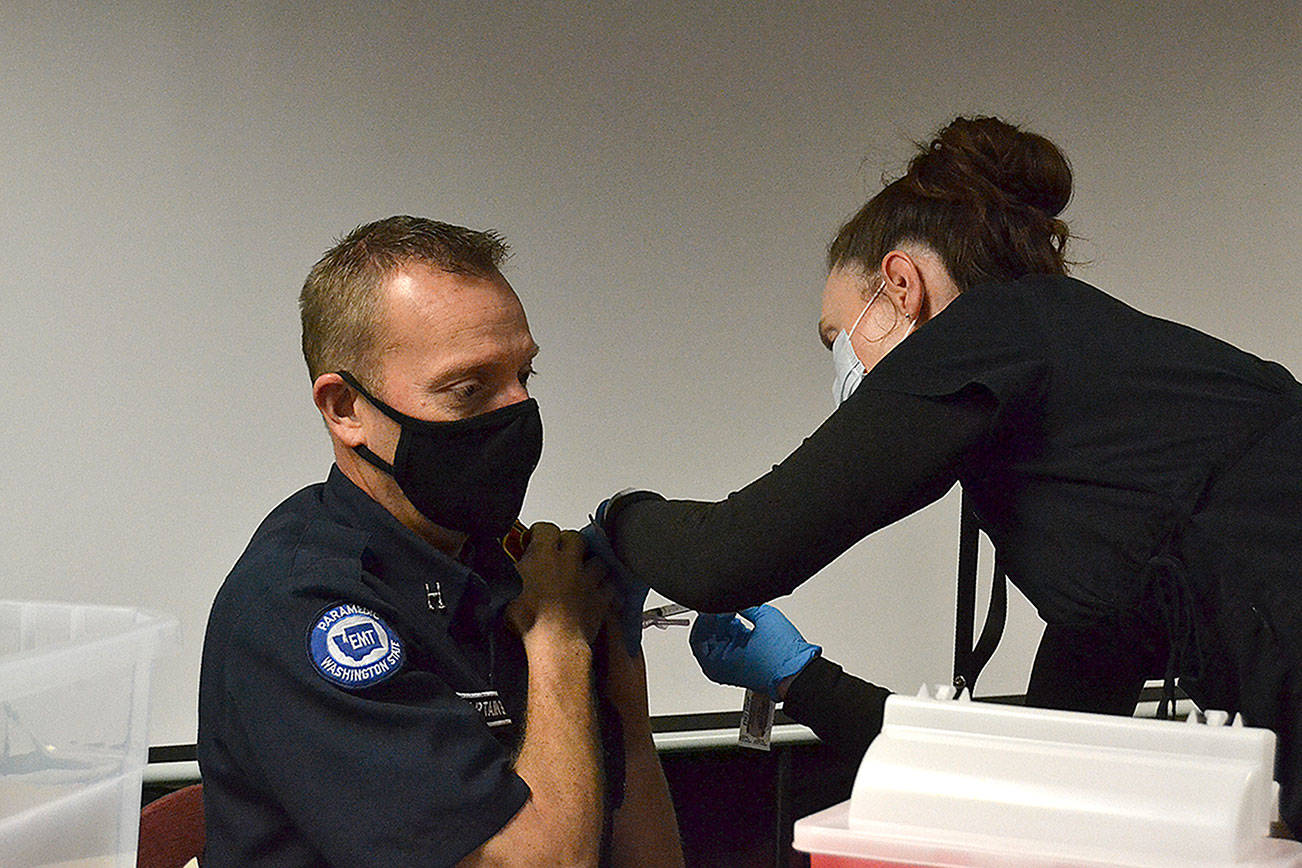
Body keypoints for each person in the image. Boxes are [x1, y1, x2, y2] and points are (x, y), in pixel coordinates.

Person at [592, 116, 1302, 830]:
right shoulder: (1117, 495)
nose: (843, 374)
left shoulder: (989, 329)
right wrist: (800, 679)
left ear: (901, 286)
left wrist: (613, 521)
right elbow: (1048, 775)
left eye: (837, 340)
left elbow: (728, 557)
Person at [198, 216, 683, 867]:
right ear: (346, 409)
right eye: (468, 389)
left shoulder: (503, 561)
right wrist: (560, 637)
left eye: (524, 376)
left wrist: (621, 689)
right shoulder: (303, 608)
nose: (516, 413)